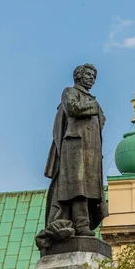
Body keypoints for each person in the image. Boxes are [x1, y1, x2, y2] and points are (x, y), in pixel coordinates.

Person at [38, 63, 108, 247]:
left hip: (90, 149)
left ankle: (83, 223)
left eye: (93, 75)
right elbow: (72, 108)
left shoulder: (92, 99)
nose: (92, 78)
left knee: (89, 188)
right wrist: (93, 107)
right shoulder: (70, 92)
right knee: (78, 187)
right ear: (78, 76)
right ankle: (81, 223)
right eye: (88, 74)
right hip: (75, 147)